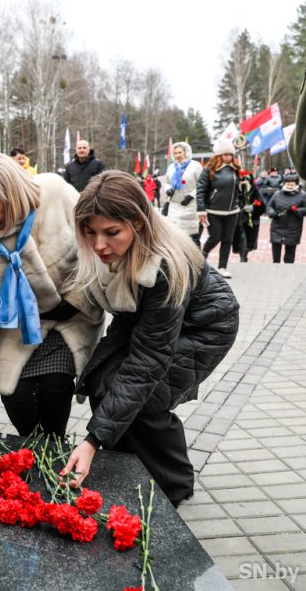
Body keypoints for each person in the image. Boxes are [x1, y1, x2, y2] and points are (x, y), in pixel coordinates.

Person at [63, 170, 239, 507]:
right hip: (152, 324)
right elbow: (129, 320)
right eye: (91, 233)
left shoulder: (165, 267)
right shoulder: (112, 250)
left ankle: (173, 482)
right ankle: (131, 465)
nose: (99, 245)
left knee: (146, 397)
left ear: (139, 223)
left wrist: (91, 441)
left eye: (111, 233)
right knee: (105, 381)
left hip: (206, 328)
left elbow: (149, 362)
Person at [0, 151, 104, 438]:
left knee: (55, 387)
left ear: (12, 191)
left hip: (70, 319)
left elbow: (98, 254)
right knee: (16, 399)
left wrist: (75, 303)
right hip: (17, 325)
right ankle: (35, 450)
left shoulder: (55, 194)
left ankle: (54, 449)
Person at [195, 140, 241, 279]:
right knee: (215, 237)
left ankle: (222, 267)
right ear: (219, 155)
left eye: (230, 154)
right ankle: (201, 261)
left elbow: (238, 189)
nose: (228, 157)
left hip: (232, 211)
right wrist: (201, 209)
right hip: (213, 211)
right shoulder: (209, 169)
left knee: (227, 239)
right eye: (225, 154)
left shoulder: (236, 169)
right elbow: (201, 190)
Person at [164, 141, 202, 245]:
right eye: (175, 153)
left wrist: (191, 196)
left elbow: (201, 184)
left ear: (186, 152)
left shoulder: (195, 166)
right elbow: (166, 182)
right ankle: (177, 259)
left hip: (190, 205)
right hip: (174, 206)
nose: (177, 155)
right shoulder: (171, 167)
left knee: (191, 237)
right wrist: (168, 189)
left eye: (180, 152)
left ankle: (196, 259)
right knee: (174, 236)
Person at [267, 173, 306, 264]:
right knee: (276, 249)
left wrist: (297, 211)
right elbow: (269, 206)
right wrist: (272, 213)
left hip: (293, 228)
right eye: (287, 184)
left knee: (290, 251)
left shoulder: (303, 195)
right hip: (277, 226)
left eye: (292, 184)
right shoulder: (277, 194)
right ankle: (275, 267)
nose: (289, 186)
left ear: (297, 184)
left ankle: (288, 269)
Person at [233, 170, 264, 262]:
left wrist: (254, 208)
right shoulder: (235, 191)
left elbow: (262, 206)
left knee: (247, 239)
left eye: (247, 180)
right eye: (242, 180)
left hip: (251, 221)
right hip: (238, 220)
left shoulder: (255, 191)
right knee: (241, 238)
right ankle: (242, 256)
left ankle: (244, 255)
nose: (244, 182)